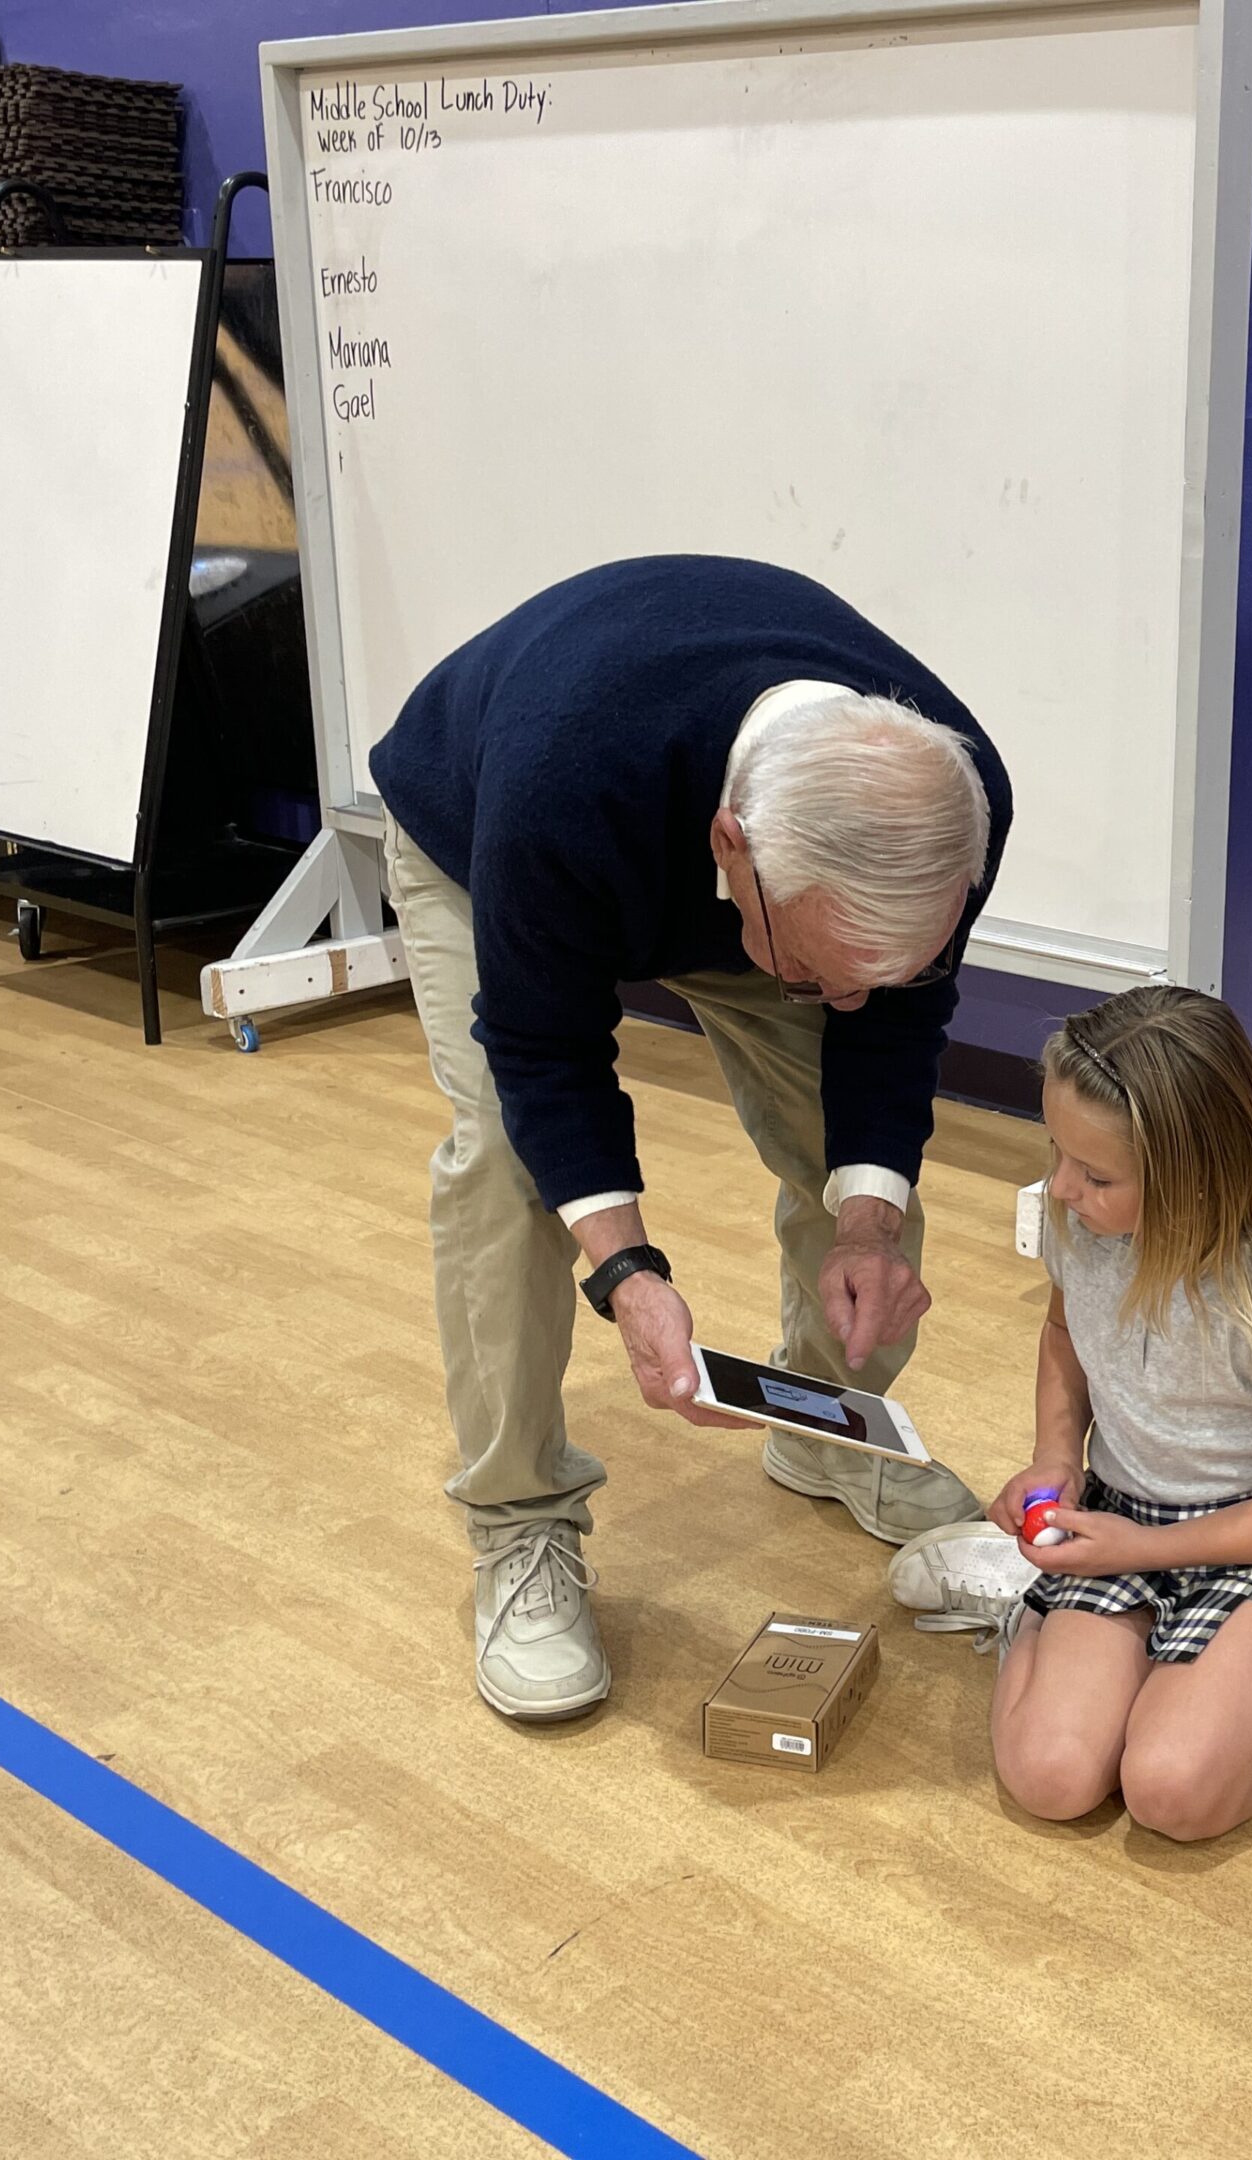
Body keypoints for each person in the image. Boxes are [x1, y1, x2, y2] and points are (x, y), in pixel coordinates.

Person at [371, 555, 1013, 1722]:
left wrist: (866, 1216)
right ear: (732, 847)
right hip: (486, 833)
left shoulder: (947, 801)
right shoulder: (563, 784)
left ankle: (823, 1432)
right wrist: (625, 1271)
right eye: (823, 973)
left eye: (881, 971)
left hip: (731, 871)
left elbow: (896, 1015)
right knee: (511, 1173)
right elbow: (546, 1056)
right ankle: (520, 1524)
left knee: (861, 1164)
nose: (849, 1002)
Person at [977, 985, 1252, 1842]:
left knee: (1169, 1791)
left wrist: (1151, 1550)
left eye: (1096, 1174)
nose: (1060, 1186)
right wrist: (1057, 1455)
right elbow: (1064, 1332)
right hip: (1123, 1518)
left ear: (1192, 1176)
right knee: (1050, 1778)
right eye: (1056, 1149)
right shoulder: (1075, 1222)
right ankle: (1037, 1615)